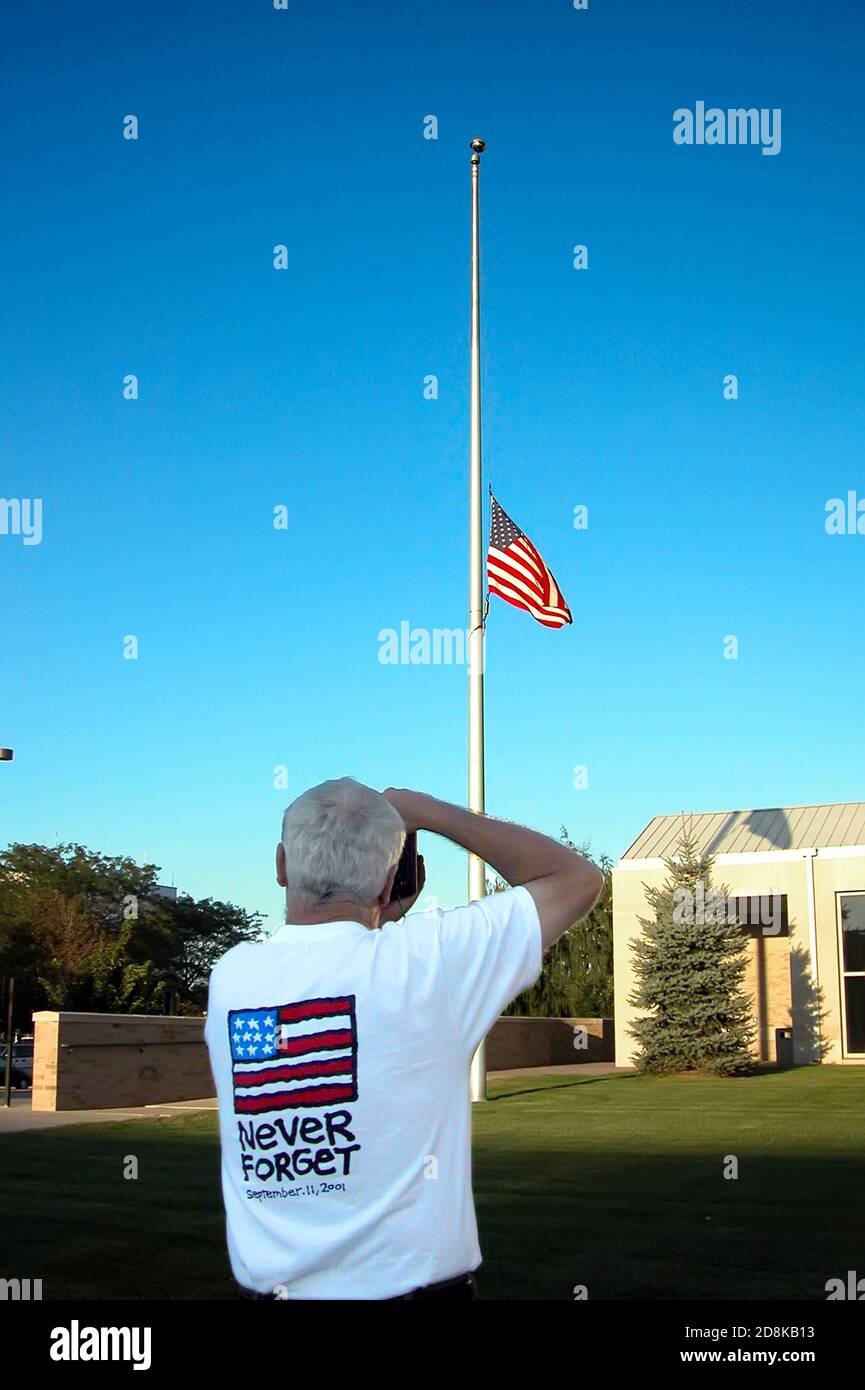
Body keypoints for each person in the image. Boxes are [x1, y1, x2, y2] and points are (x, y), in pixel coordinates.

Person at [205, 777, 604, 1301]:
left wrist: (380, 917)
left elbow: (333, 972)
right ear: (391, 875)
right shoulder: (429, 962)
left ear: (282, 865)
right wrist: (429, 812)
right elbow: (576, 879)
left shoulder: (232, 977)